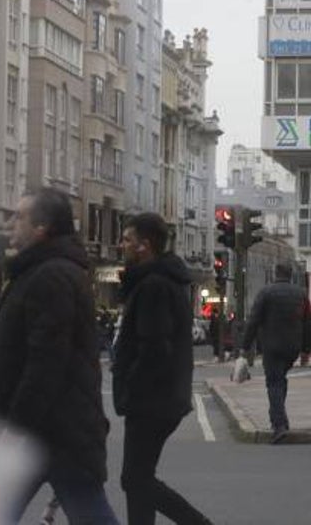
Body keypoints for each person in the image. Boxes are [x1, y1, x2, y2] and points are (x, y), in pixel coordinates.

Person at [0, 188, 118, 525]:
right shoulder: (39, 271)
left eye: (19, 217)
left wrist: (15, 427)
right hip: (52, 429)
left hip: (56, 431)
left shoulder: (51, 276)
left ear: (42, 228)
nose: (11, 223)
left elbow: (46, 361)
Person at [111, 212, 212, 525]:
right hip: (161, 397)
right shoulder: (162, 281)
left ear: (144, 245)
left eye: (127, 240)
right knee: (138, 478)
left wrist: (131, 387)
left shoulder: (153, 285)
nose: (121, 245)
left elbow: (154, 347)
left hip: (152, 399)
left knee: (135, 479)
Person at [242, 262, 311, 444]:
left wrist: (245, 346)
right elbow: (309, 323)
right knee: (280, 380)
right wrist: (306, 350)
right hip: (292, 347)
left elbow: (254, 320)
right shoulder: (301, 295)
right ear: (291, 275)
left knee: (274, 383)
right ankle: (280, 417)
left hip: (272, 345)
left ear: (276, 273)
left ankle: (279, 425)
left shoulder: (266, 293)